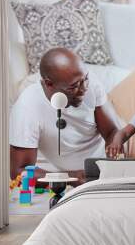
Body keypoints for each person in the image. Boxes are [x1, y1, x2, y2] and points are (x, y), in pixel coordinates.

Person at [9, 47, 119, 185]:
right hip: (65, 174)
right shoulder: (27, 107)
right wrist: (69, 178)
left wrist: (116, 150)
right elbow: (18, 172)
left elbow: (112, 131)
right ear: (49, 84)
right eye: (73, 87)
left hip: (106, 164)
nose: (84, 89)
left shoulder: (89, 83)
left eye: (85, 80)